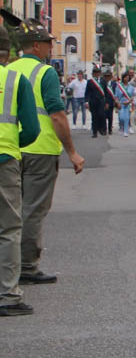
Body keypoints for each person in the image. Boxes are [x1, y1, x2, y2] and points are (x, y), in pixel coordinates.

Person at [10, 22, 84, 294]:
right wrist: (72, 151)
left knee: (11, 209)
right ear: (37, 46)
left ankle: (9, 265)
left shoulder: (8, 69)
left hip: (11, 147)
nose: (51, 47)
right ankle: (27, 267)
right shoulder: (45, 72)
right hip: (39, 149)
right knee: (33, 210)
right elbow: (56, 115)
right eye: (48, 43)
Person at [0, 26, 43, 317]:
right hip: (5, 160)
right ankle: (8, 295)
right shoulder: (15, 80)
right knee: (8, 229)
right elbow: (32, 129)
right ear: (8, 52)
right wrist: (14, 143)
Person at [85, 68, 108, 138]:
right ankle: (94, 132)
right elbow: (87, 92)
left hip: (101, 101)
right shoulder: (90, 82)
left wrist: (107, 102)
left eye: (98, 73)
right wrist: (86, 102)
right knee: (94, 117)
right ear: (93, 74)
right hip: (93, 102)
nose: (97, 74)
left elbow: (106, 92)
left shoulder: (103, 81)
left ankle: (102, 129)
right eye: (95, 73)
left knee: (102, 115)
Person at [113, 71, 135, 137]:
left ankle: (125, 131)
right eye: (126, 77)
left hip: (128, 104)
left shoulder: (131, 87)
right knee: (121, 118)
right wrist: (117, 103)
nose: (127, 78)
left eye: (128, 77)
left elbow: (133, 96)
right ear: (123, 78)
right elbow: (116, 96)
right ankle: (121, 127)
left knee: (127, 118)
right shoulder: (119, 86)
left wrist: (129, 101)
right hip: (121, 104)